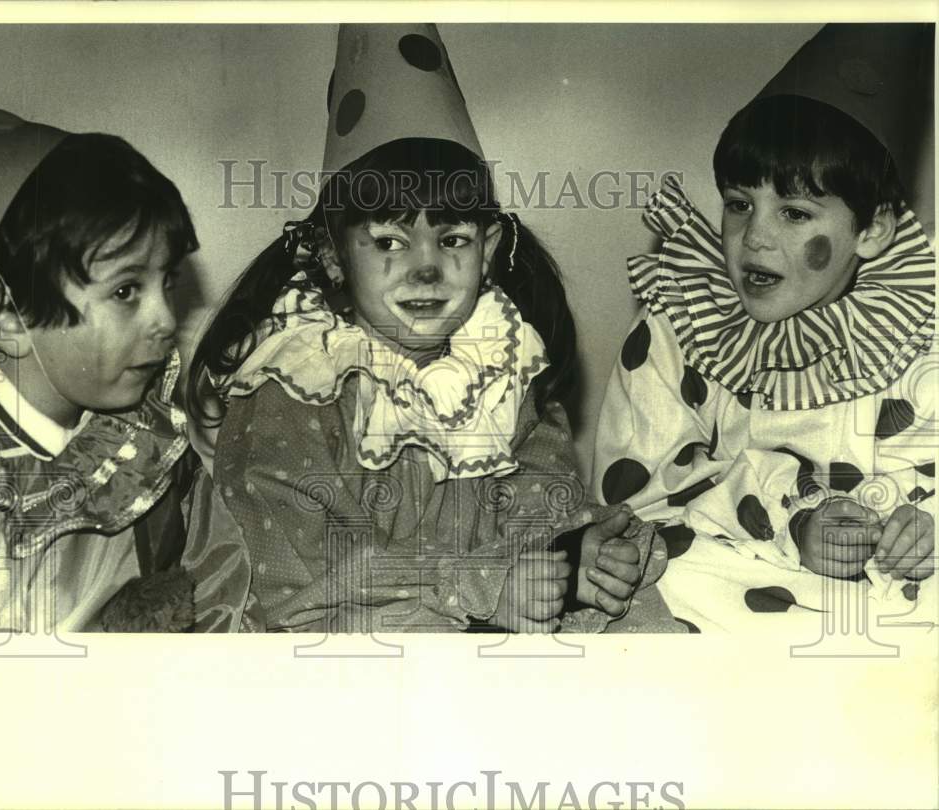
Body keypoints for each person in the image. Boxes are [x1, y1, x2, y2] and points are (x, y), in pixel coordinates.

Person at [185, 24, 670, 633]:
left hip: (477, 616)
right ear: (334, 255)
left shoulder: (503, 369)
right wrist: (487, 584)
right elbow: (296, 581)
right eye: (389, 239)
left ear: (488, 250)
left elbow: (540, 499)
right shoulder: (292, 391)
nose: (426, 267)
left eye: (453, 238)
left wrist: (577, 558)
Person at [592, 24, 936, 631]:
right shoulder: (679, 326)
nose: (753, 237)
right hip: (743, 571)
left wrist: (915, 529)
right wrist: (791, 520)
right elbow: (633, 502)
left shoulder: (918, 332)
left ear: (873, 229)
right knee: (661, 579)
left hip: (895, 586)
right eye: (739, 202)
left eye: (795, 213)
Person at [0, 132, 200, 633]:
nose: (167, 319)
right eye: (126, 290)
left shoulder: (138, 403)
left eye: (167, 280)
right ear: (8, 318)